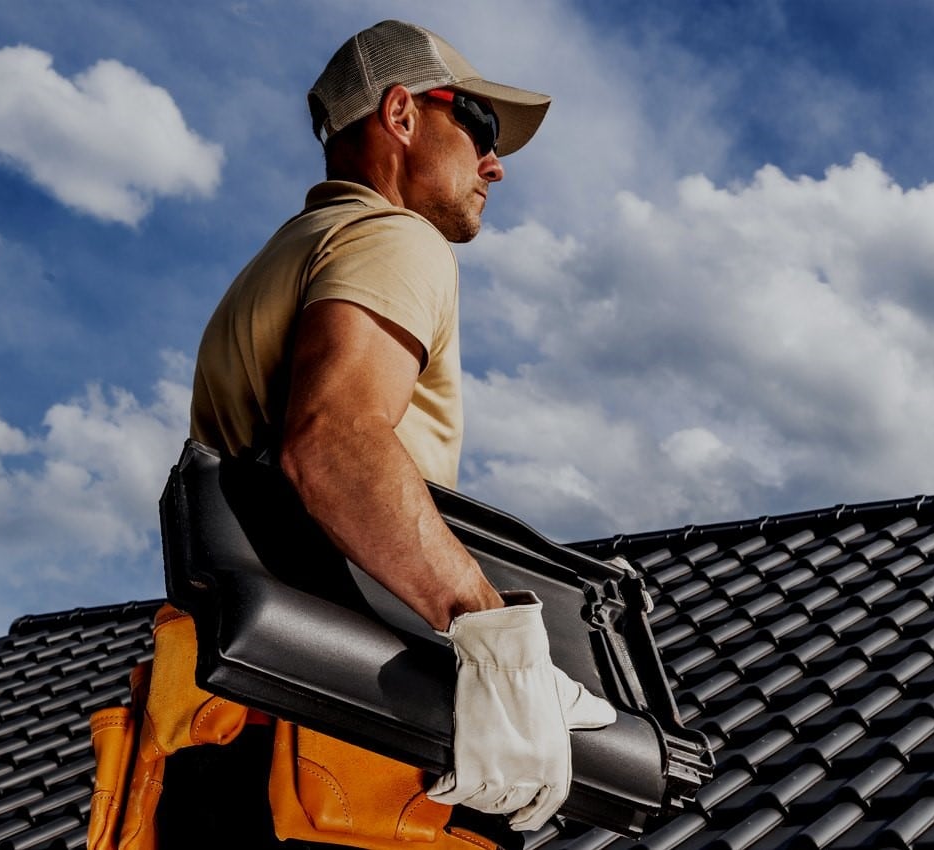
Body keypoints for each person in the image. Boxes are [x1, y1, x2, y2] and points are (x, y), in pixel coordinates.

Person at [145, 20, 613, 849]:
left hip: (223, 735)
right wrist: (499, 645)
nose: (495, 163)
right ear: (402, 114)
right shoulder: (395, 239)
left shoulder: (280, 261)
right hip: (336, 741)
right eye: (481, 125)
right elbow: (333, 442)